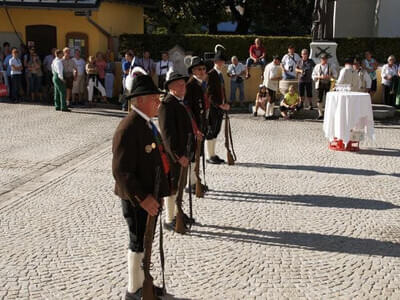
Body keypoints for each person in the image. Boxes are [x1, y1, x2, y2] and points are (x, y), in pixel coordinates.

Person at [112, 73, 170, 300]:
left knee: (147, 240)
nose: (158, 103)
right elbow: (121, 171)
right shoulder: (128, 127)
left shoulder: (145, 123)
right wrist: (143, 197)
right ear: (142, 100)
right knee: (137, 240)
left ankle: (144, 281)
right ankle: (133, 289)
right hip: (137, 200)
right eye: (155, 98)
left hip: (150, 197)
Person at [158, 70, 197, 230]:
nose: (183, 88)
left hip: (185, 151)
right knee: (172, 186)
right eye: (180, 85)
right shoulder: (167, 105)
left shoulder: (180, 102)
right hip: (174, 155)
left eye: (184, 85)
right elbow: (167, 135)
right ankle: (169, 218)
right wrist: (178, 155)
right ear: (172, 87)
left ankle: (178, 212)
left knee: (180, 185)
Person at [184, 56, 208, 193]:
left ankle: (195, 180)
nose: (202, 71)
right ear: (193, 70)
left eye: (204, 69)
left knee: (197, 155)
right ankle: (191, 183)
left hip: (200, 126)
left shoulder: (199, 84)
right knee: (193, 155)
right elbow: (188, 110)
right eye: (199, 69)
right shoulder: (190, 85)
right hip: (193, 128)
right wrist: (195, 129)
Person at [206, 47, 230, 164]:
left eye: (222, 61)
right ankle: (210, 155)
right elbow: (209, 94)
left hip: (220, 107)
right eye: (219, 61)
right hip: (213, 107)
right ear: (215, 62)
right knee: (211, 130)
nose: (221, 63)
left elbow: (222, 91)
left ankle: (213, 154)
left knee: (216, 130)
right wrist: (219, 105)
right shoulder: (211, 74)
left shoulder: (219, 74)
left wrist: (225, 103)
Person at [312, 54, 337, 120]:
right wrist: (319, 77)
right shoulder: (317, 66)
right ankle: (320, 114)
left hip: (328, 83)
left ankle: (328, 113)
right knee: (319, 99)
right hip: (319, 83)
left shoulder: (331, 66)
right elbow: (313, 75)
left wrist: (329, 76)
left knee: (328, 99)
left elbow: (335, 75)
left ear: (327, 59)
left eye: (325, 59)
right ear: (320, 59)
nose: (324, 60)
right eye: (323, 59)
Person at [263, 55, 282, 120]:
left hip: (267, 84)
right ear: (276, 60)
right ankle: (268, 115)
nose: (279, 62)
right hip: (271, 85)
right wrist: (280, 78)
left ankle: (270, 114)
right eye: (278, 61)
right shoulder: (273, 67)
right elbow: (272, 77)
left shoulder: (268, 65)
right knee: (271, 100)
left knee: (272, 100)